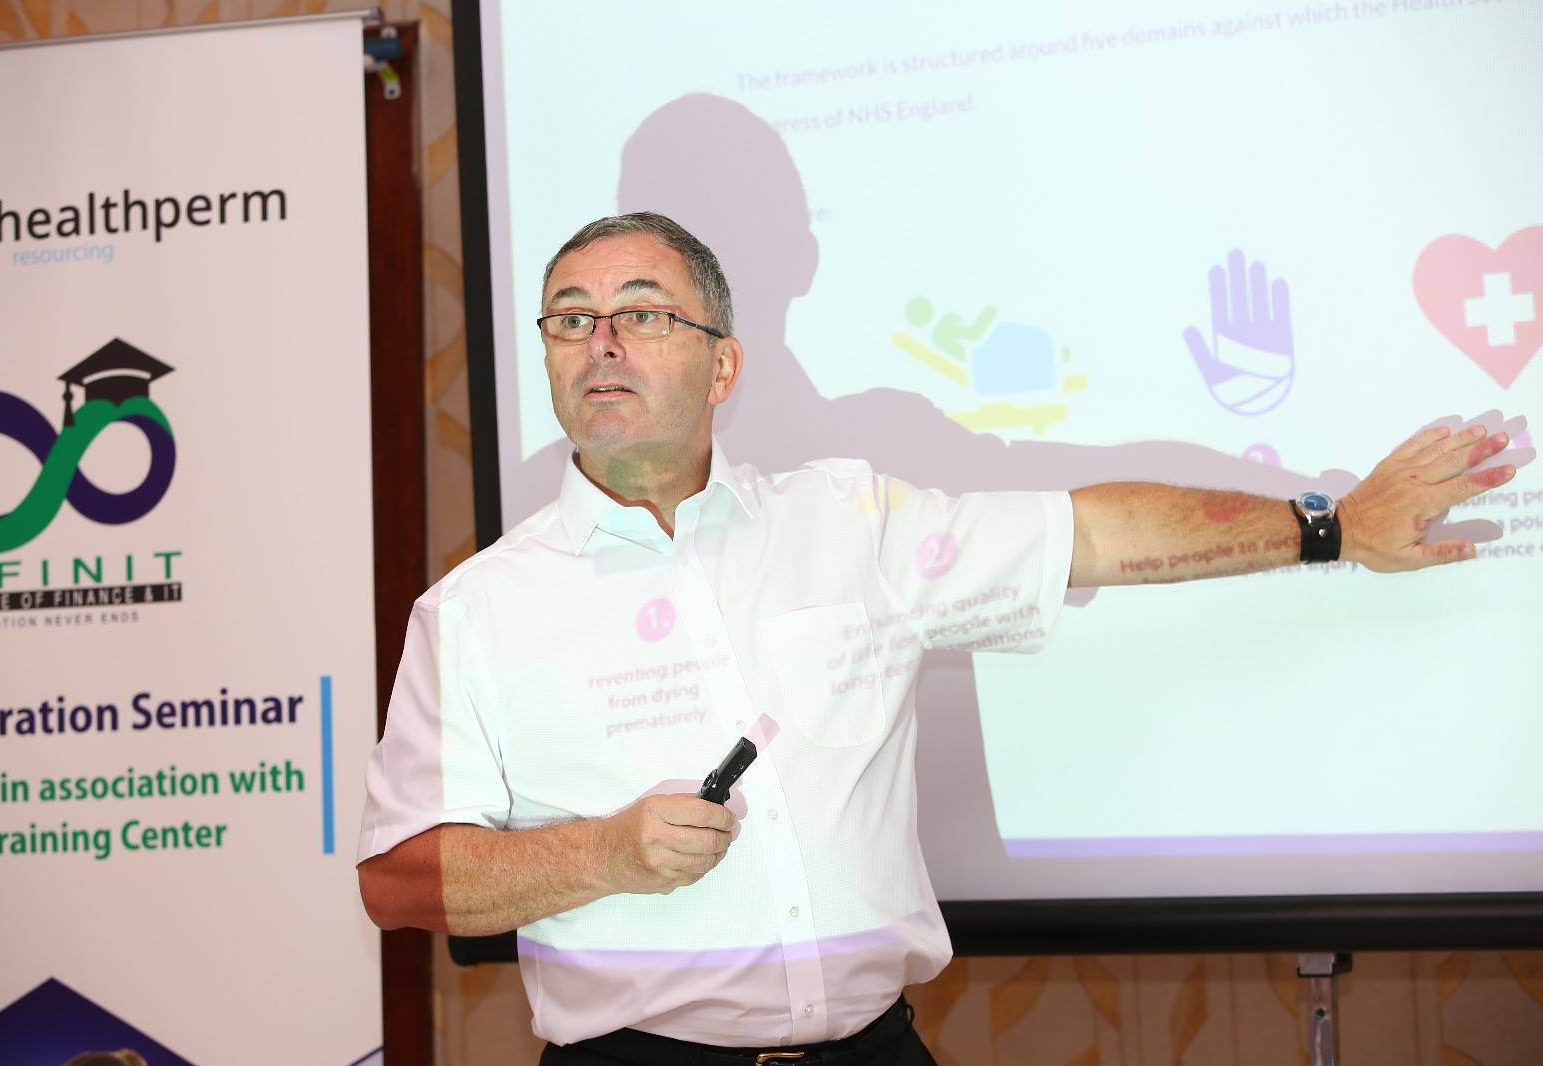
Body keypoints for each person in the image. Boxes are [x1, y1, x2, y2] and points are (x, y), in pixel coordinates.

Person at [356, 212, 1517, 1066]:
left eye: (643, 312)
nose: (601, 340)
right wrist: (598, 854)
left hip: (877, 1048)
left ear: (723, 364)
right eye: (571, 318)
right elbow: (395, 878)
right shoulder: (477, 611)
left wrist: (1331, 527)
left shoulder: (850, 522)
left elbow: (1094, 533)